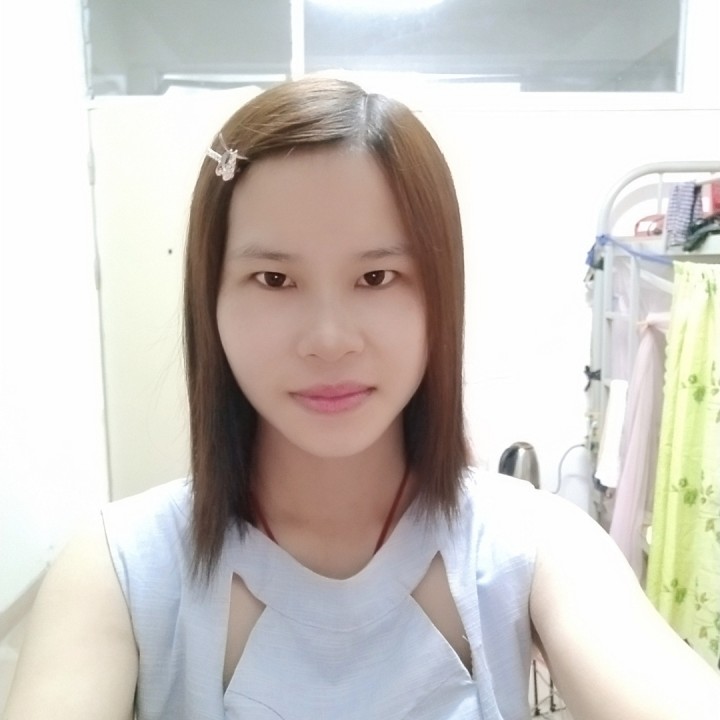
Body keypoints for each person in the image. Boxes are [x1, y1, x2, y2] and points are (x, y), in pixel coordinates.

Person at [4, 77, 720, 720]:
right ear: (210, 300)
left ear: (440, 294)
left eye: (377, 278)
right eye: (274, 280)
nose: (329, 339)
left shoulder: (536, 547)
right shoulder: (116, 568)